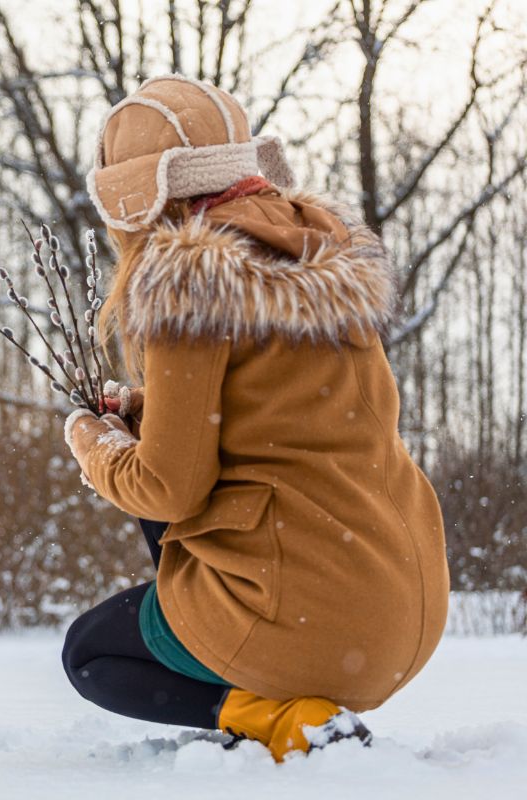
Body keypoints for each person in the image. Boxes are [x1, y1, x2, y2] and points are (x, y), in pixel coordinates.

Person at [60, 75, 449, 762]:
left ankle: (282, 717)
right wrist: (145, 412)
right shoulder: (319, 253)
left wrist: (91, 441)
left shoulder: (187, 277)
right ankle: (289, 690)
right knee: (167, 489)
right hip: (402, 612)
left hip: (311, 622)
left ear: (137, 195)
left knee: (91, 653)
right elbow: (279, 415)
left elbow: (168, 490)